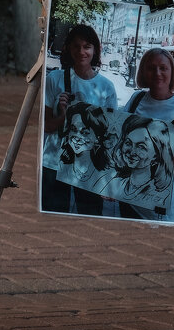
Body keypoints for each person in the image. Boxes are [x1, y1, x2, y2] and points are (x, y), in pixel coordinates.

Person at [42, 24, 118, 214]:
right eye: (76, 46)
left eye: (87, 46)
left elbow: (111, 136)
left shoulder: (106, 87)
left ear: (95, 50)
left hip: (89, 165)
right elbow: (47, 127)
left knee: (90, 217)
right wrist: (64, 116)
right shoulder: (55, 79)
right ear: (68, 48)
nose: (81, 51)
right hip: (54, 162)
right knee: (54, 217)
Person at [121, 47, 174, 220]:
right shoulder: (136, 99)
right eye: (151, 68)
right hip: (130, 199)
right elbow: (119, 136)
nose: (157, 73)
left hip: (164, 203)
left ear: (171, 72)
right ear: (143, 72)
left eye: (163, 68)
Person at [105, 114, 174, 221]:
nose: (132, 152)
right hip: (126, 206)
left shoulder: (160, 194)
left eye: (141, 146)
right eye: (128, 143)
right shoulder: (118, 184)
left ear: (157, 156)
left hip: (154, 216)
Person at [55, 102, 114, 215]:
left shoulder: (99, 173)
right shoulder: (63, 164)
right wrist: (63, 113)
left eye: (85, 132)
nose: (78, 137)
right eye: (73, 129)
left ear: (98, 137)